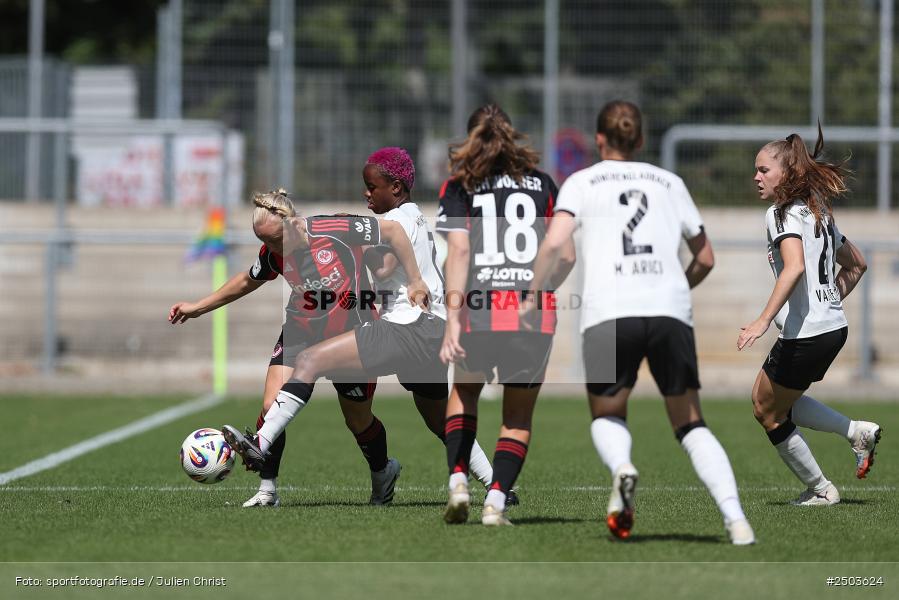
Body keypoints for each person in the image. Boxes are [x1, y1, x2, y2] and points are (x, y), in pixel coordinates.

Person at [170, 188, 493, 506]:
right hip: (300, 332)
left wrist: (414, 280)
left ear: (293, 224)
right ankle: (267, 489)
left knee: (358, 421)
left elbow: (393, 232)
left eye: (275, 239)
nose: (270, 248)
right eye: (264, 241)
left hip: (350, 333)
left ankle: (383, 472)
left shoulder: (333, 229)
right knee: (271, 407)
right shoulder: (273, 251)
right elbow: (247, 280)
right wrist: (199, 306)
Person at [524, 100, 755, 544]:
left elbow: (555, 241)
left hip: (610, 312)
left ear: (598, 140)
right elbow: (705, 257)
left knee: (608, 412)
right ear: (642, 140)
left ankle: (623, 467)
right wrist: (677, 289)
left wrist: (533, 294)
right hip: (668, 308)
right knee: (690, 422)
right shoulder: (669, 181)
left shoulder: (581, 181)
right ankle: (736, 520)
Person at [436, 104, 574, 526]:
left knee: (464, 394)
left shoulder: (461, 185)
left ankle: (459, 480)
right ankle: (495, 502)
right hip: (532, 316)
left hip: (479, 309)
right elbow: (566, 254)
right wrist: (539, 293)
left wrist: (453, 318)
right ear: (512, 137)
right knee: (517, 416)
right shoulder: (545, 185)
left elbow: (458, 252)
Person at [737, 127, 881, 506]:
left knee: (764, 409)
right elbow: (858, 264)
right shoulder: (817, 211)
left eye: (764, 170)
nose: (757, 177)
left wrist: (762, 320)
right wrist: (828, 300)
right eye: (756, 170)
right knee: (778, 402)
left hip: (808, 334)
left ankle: (821, 489)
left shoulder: (780, 213)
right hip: (832, 329)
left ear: (785, 174)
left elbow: (794, 267)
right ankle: (855, 432)